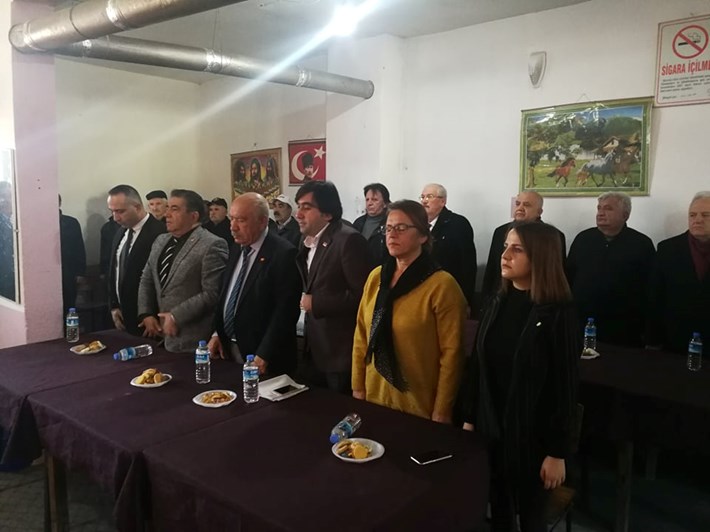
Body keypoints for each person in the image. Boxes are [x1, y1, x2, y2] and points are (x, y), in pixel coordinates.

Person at [462, 221, 579, 532]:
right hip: (492, 428)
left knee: (531, 517)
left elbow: (565, 387)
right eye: (505, 247)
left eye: (517, 249)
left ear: (540, 256)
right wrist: (470, 418)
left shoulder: (557, 313)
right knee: (498, 508)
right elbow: (478, 367)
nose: (505, 255)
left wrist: (557, 452)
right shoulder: (496, 301)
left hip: (533, 437)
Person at [352, 200, 466, 422]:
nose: (392, 234)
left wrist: (442, 409)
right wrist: (358, 386)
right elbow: (361, 335)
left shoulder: (442, 285)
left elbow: (452, 355)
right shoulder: (377, 277)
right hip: (374, 393)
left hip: (419, 402)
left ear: (423, 235)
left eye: (401, 228)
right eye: (388, 228)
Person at [208, 193, 301, 376]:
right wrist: (217, 333)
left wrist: (264, 353)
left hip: (263, 357)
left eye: (241, 220)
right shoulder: (237, 246)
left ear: (262, 221)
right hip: (229, 349)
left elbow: (286, 311)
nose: (233, 227)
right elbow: (226, 293)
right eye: (232, 219)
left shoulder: (283, 253)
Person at [295, 181, 371, 393]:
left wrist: (316, 303)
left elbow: (364, 297)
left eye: (306, 207)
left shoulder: (349, 240)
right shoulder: (307, 240)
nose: (298, 214)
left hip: (339, 353)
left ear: (327, 213)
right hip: (314, 347)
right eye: (298, 206)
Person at [137, 189, 228, 353]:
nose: (167, 214)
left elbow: (212, 292)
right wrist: (146, 313)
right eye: (168, 208)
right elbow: (147, 278)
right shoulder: (161, 240)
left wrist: (175, 315)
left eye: (175, 209)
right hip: (164, 337)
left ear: (193, 216)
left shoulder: (212, 244)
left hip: (195, 340)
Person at [566, 192, 655, 347]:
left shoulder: (641, 244)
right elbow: (568, 277)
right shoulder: (583, 239)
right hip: (582, 324)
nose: (600, 213)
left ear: (625, 215)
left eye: (608, 208)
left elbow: (651, 288)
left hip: (624, 329)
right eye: (599, 208)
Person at [647, 191, 710, 353]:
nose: (698, 220)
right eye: (692, 215)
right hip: (675, 341)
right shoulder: (667, 249)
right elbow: (656, 297)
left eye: (706, 215)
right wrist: (653, 339)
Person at [482, 191, 566, 304]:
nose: (520, 208)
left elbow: (555, 273)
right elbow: (492, 269)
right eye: (517, 204)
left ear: (539, 212)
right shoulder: (500, 232)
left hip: (539, 298)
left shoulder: (552, 236)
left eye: (526, 205)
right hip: (501, 297)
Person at [107, 185, 166, 336]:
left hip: (150, 320)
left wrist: (149, 313)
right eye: (112, 211)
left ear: (137, 207)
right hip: (123, 314)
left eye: (120, 211)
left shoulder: (160, 233)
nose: (115, 217)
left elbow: (161, 280)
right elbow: (114, 270)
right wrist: (114, 305)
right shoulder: (120, 232)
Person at [420, 183, 477, 311]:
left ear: (443, 201)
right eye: (422, 197)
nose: (424, 201)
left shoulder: (458, 224)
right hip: (422, 293)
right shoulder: (417, 224)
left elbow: (467, 264)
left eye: (429, 196)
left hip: (449, 292)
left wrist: (466, 299)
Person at [59, 195, 86, 314]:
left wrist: (80, 272)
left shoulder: (71, 223)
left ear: (59, 203)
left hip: (69, 272)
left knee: (70, 307)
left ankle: (71, 328)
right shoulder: (39, 223)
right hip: (47, 273)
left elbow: (79, 247)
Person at [353, 183, 390, 267]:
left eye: (374, 200)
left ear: (385, 203)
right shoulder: (358, 222)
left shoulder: (389, 224)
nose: (369, 203)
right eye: (367, 200)